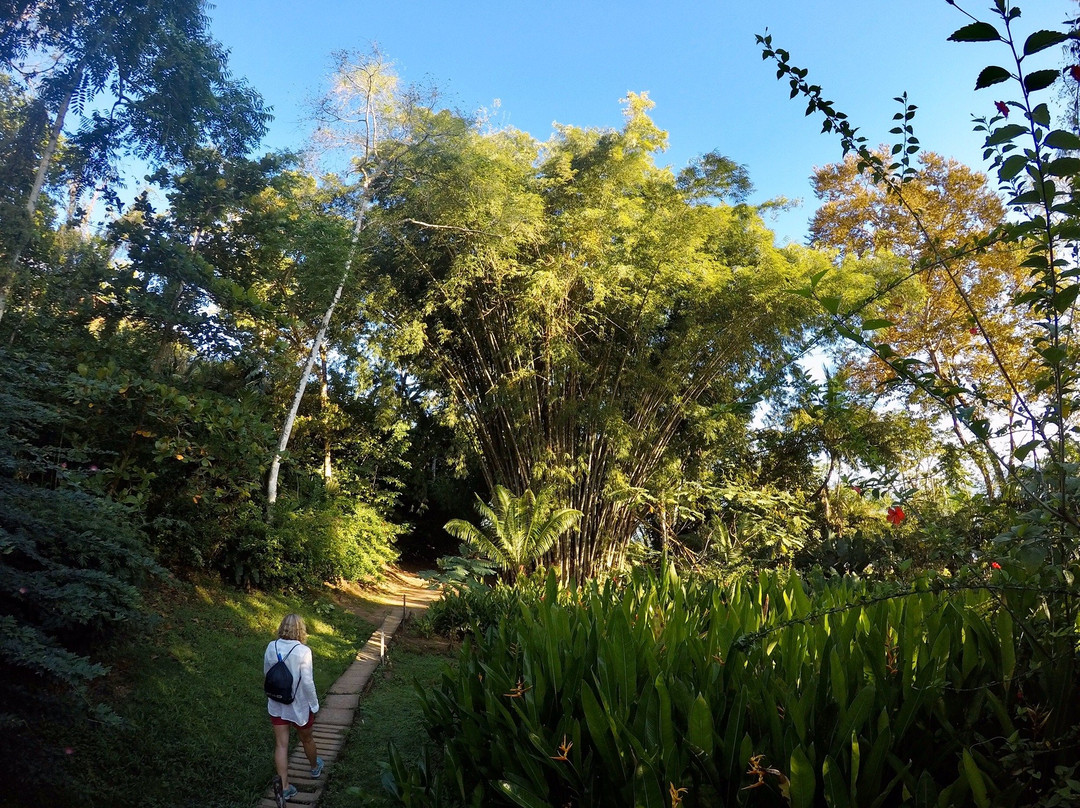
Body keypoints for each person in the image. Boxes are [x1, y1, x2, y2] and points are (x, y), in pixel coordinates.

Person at [264, 614, 323, 801]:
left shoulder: (271, 646)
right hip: (299, 706)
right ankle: (314, 767)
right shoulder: (303, 651)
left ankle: (285, 787)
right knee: (307, 739)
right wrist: (314, 705)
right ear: (301, 630)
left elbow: (267, 674)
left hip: (277, 703)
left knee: (281, 744)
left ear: (282, 627)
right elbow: (307, 682)